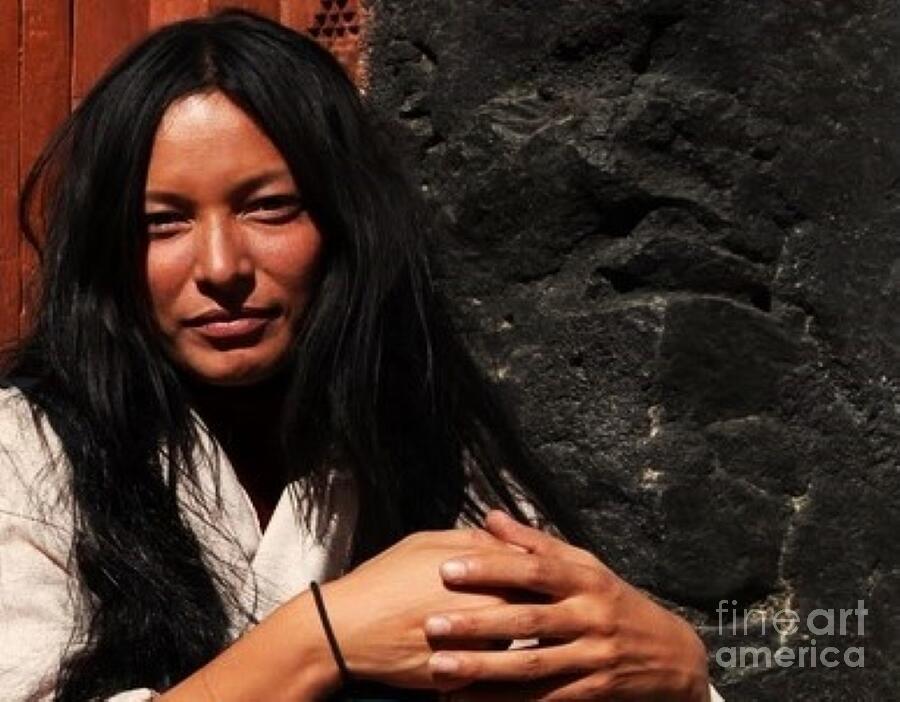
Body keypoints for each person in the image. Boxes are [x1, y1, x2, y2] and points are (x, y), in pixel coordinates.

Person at [0, 9, 722, 702]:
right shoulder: (27, 453)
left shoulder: (420, 447)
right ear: (108, 251)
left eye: (269, 207)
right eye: (162, 222)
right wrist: (322, 640)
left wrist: (679, 672)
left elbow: (569, 656)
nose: (220, 265)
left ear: (343, 223)